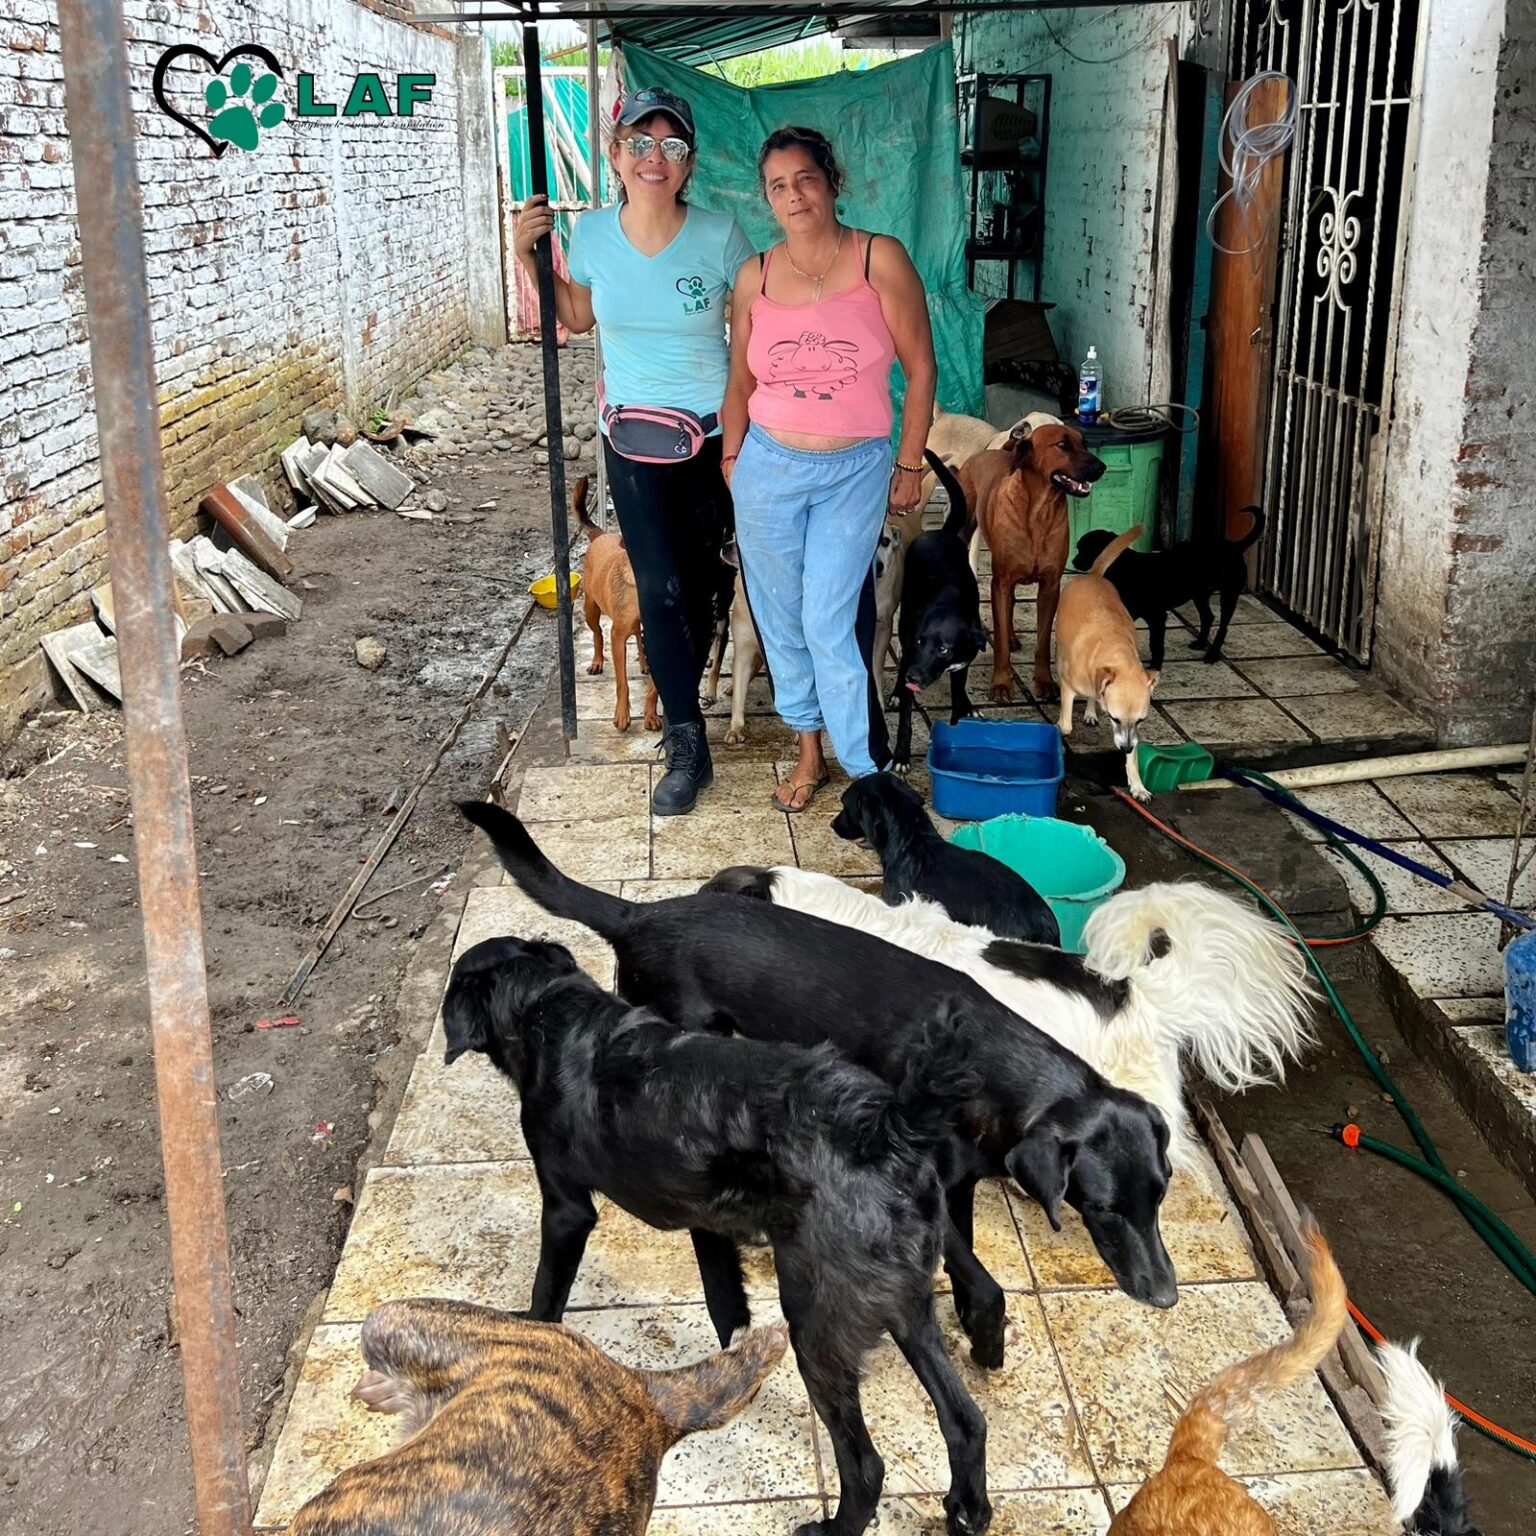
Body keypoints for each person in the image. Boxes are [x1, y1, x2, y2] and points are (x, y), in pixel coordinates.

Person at [513, 87, 755, 815]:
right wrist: (530, 259)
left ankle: (699, 683)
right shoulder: (590, 235)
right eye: (640, 144)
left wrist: (745, 432)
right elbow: (579, 315)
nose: (656, 158)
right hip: (633, 444)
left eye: (672, 147)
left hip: (713, 442)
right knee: (660, 590)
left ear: (688, 164)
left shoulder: (720, 235)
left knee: (708, 587)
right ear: (616, 155)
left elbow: (751, 339)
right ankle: (687, 743)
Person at [722, 125, 936, 812]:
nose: (795, 195)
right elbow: (738, 383)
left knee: (827, 617)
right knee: (780, 621)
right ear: (768, 199)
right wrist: (731, 456)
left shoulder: (880, 259)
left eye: (805, 179)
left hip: (855, 469)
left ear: (832, 181)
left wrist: (910, 460)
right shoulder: (754, 275)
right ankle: (809, 751)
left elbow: (922, 367)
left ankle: (866, 771)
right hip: (766, 469)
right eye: (779, 186)